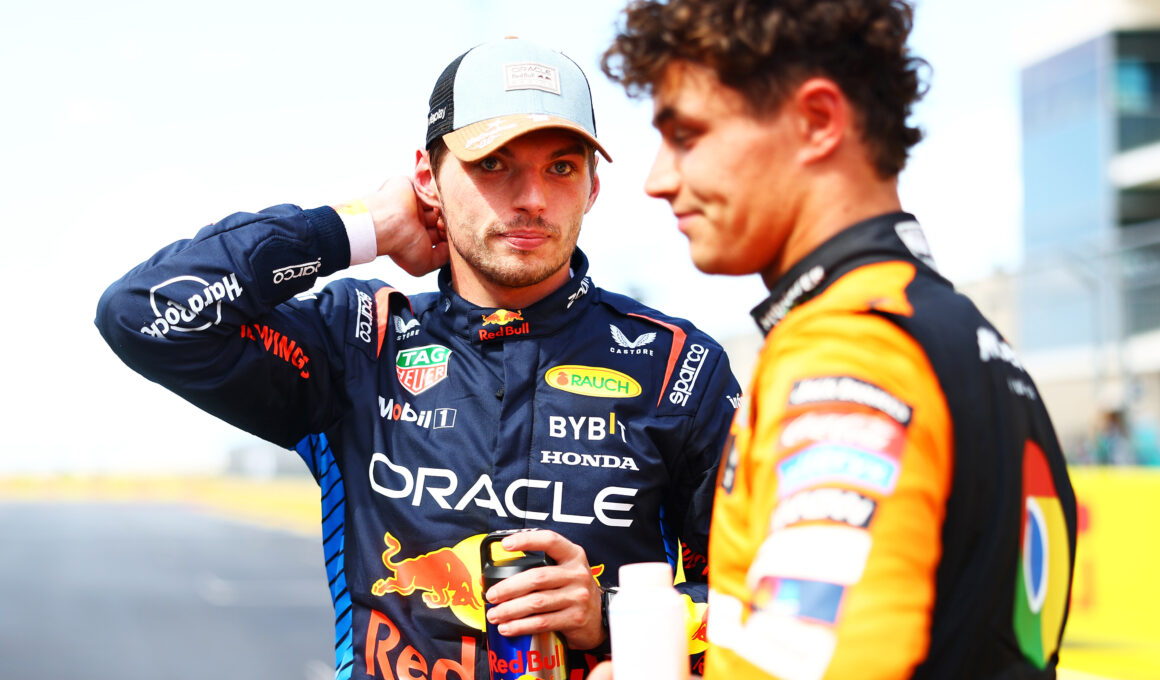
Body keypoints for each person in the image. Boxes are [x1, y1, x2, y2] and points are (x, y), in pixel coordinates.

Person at [95, 38, 739, 680]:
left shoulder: (678, 368)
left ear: (594, 187)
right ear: (427, 179)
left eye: (562, 168)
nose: (533, 199)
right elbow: (141, 312)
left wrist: (611, 614)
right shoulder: (359, 339)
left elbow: (774, 610)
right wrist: (361, 227)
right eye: (494, 164)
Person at [599, 1, 1078, 678]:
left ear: (817, 121)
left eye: (687, 135)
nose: (657, 179)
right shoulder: (958, 330)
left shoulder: (850, 348)